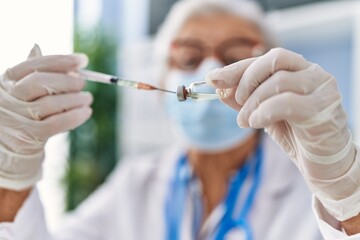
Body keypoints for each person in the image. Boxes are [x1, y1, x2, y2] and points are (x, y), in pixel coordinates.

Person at [0, 0, 359, 239]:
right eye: (189, 58)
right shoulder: (134, 186)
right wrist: (11, 173)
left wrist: (348, 198)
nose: (210, 72)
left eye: (233, 58)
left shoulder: (313, 185)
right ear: (159, 78)